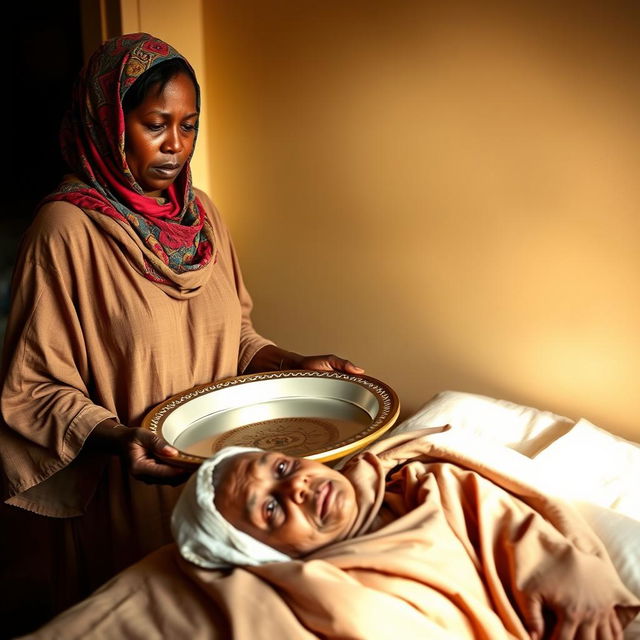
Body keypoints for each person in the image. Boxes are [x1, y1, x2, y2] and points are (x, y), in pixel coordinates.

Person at [0, 32, 362, 636]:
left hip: (226, 485)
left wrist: (293, 364)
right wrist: (121, 437)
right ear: (110, 123)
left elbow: (235, 335)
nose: (175, 146)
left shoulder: (203, 217)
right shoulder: (66, 232)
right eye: (154, 124)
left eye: (189, 126)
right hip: (132, 492)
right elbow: (34, 387)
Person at [170, 433, 640, 640]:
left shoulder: (424, 484)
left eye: (282, 467)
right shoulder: (332, 590)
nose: (296, 485)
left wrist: (577, 572)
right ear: (261, 552)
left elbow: (516, 523)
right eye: (270, 509)